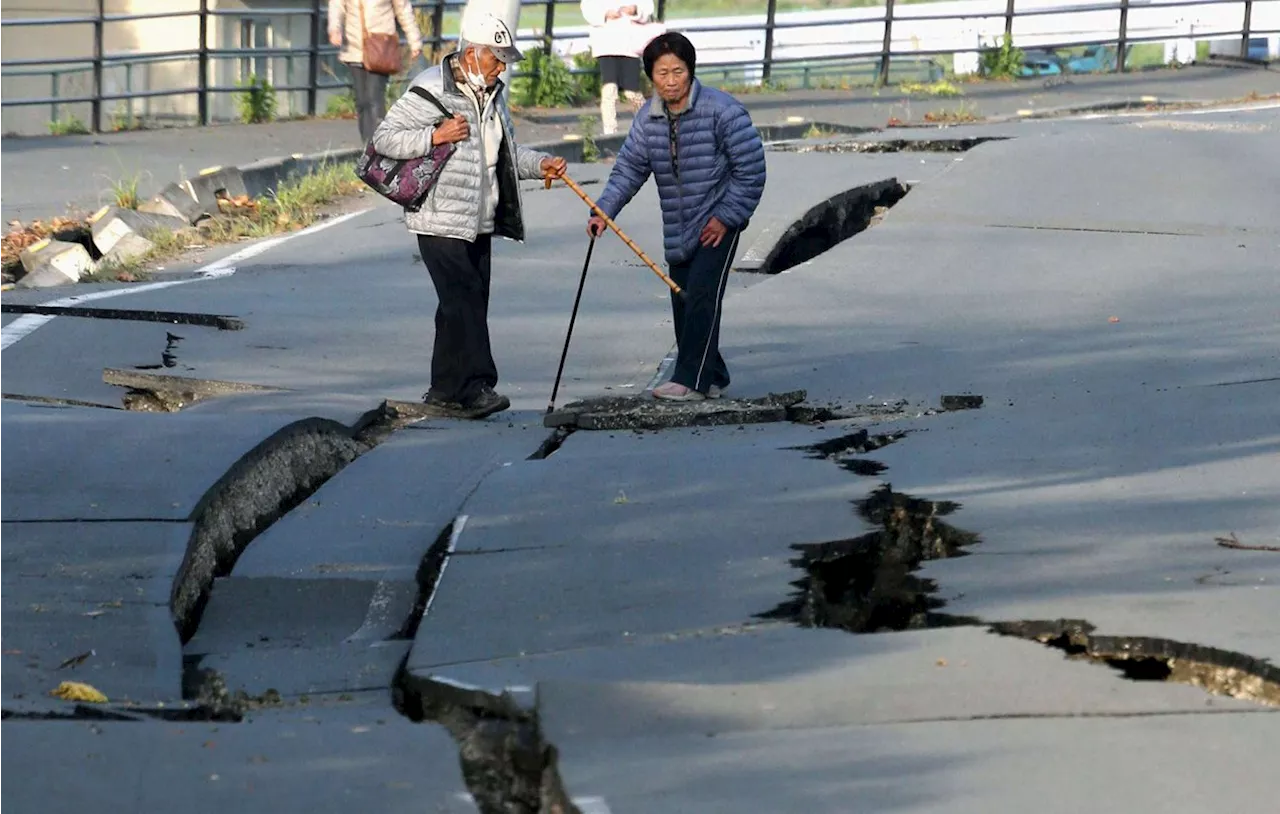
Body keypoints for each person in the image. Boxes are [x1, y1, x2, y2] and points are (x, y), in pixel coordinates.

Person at [372, 12, 568, 419]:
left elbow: (506, 154)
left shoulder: (492, 97)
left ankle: (444, 390)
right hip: (439, 216)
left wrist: (541, 164)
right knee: (464, 301)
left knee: (459, 304)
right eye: (497, 59)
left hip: (479, 218)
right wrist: (434, 135)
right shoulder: (430, 88)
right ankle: (478, 385)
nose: (502, 68)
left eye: (504, 61)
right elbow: (384, 139)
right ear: (473, 54)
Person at [588, 32, 766, 402]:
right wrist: (603, 211)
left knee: (702, 294)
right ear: (650, 76)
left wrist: (727, 216)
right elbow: (628, 170)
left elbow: (751, 170)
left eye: (678, 71)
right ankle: (713, 373)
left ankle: (691, 381)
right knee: (684, 299)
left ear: (691, 71)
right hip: (678, 225)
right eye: (662, 73)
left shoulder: (723, 111)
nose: (671, 81)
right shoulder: (647, 120)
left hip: (719, 221)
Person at [328, 0, 423, 141]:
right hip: (354, 47)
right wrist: (334, 29)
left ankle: (378, 142)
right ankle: (366, 142)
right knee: (361, 100)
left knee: (374, 97)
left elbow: (403, 9)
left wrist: (414, 40)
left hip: (380, 47)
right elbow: (337, 6)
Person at [580, 0, 656, 135]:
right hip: (606, 43)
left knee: (632, 92)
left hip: (630, 44)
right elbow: (587, 7)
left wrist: (635, 9)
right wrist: (605, 14)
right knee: (609, 89)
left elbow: (647, 6)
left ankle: (647, 123)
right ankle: (610, 131)